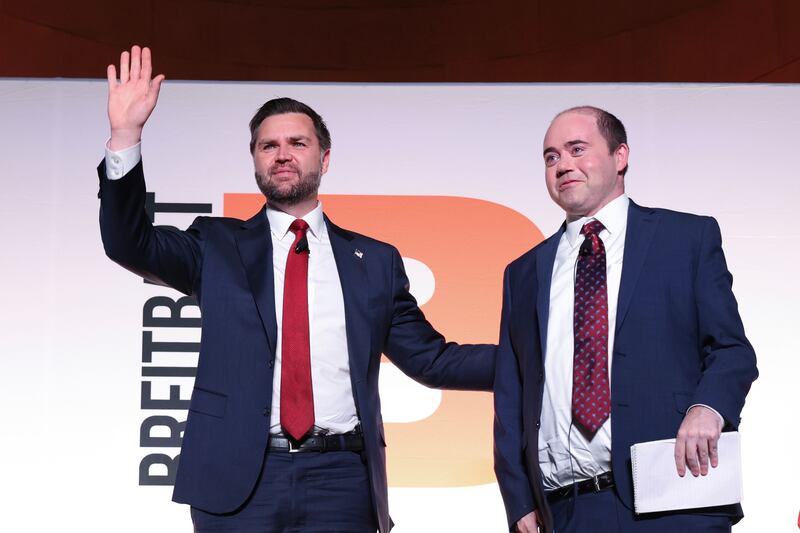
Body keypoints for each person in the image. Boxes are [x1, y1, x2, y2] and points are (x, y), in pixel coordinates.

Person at [98, 45, 494, 533]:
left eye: (297, 143)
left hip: (342, 479)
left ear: (325, 159)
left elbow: (432, 360)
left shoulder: (375, 262)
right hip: (239, 480)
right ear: (255, 161)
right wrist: (125, 135)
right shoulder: (215, 245)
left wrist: (541, 360)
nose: (282, 154)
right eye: (268, 146)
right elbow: (128, 242)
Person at [493, 106, 757, 533]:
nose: (563, 165)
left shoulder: (685, 239)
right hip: (568, 510)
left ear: (620, 157)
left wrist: (707, 408)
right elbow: (511, 392)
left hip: (676, 492)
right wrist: (518, 498)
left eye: (577, 149)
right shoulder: (523, 272)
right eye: (551, 157)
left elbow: (732, 350)